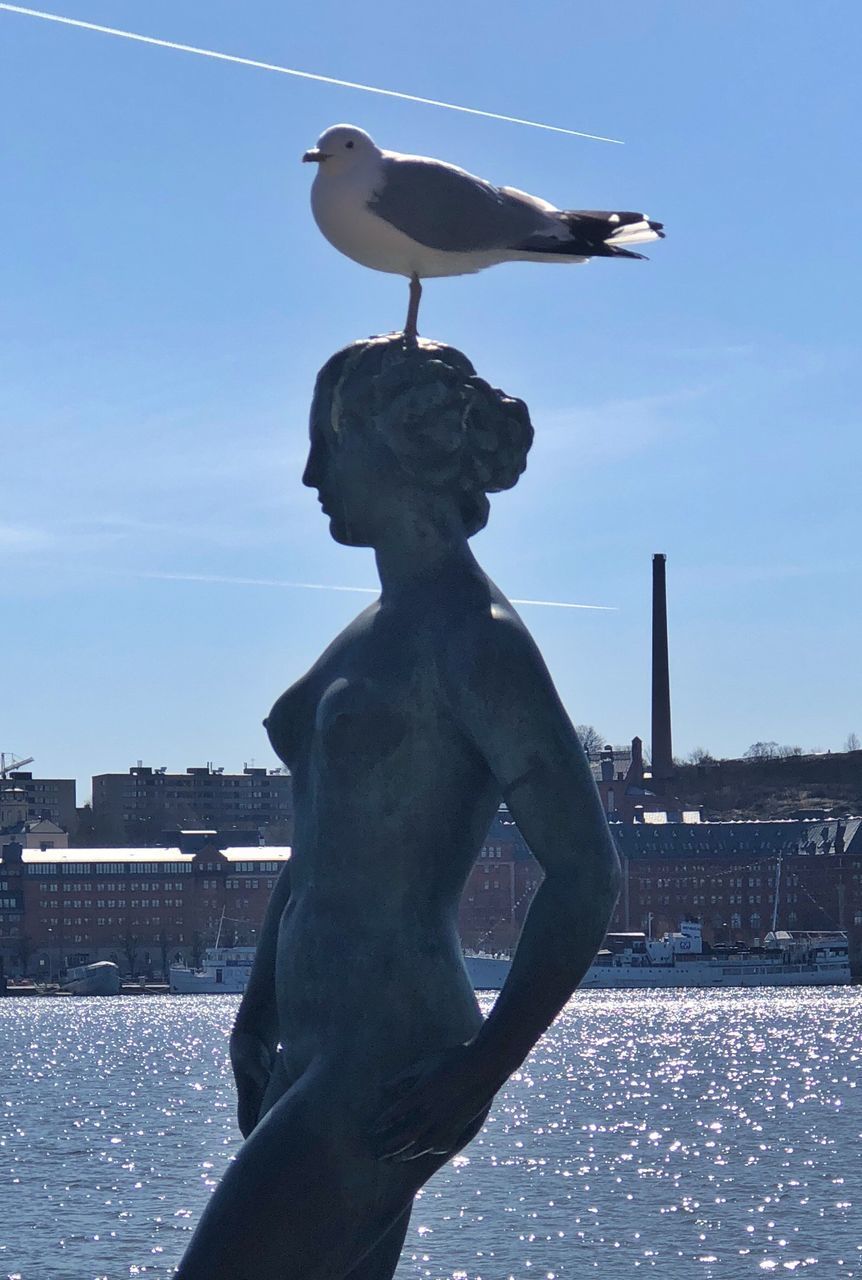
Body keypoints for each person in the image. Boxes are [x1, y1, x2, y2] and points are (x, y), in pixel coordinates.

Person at [175, 335, 620, 1280]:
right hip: (312, 1042)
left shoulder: (477, 639)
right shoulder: (375, 630)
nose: (308, 476)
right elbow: (317, 846)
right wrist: (255, 1013)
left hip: (397, 1060)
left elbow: (588, 872)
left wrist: (482, 1069)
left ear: (395, 443)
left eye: (326, 446)